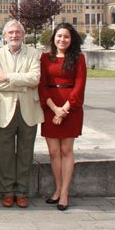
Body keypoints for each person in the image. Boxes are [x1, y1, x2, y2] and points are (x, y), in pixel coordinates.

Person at [0, 20, 44, 209]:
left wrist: (8, 77)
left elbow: (35, 79)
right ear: (4, 36)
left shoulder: (34, 54)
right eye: (10, 32)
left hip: (29, 108)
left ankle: (21, 192)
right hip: (5, 109)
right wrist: (21, 81)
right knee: (4, 153)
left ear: (23, 34)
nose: (14, 35)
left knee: (25, 152)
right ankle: (7, 191)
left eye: (18, 32)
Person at [39, 23, 86, 211]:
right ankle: (57, 189)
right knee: (53, 152)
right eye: (59, 36)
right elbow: (41, 85)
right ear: (53, 38)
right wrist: (54, 109)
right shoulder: (45, 58)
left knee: (66, 150)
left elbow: (79, 85)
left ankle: (65, 192)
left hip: (70, 109)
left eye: (66, 36)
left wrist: (64, 110)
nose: (62, 40)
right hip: (50, 107)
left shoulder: (78, 58)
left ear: (71, 39)